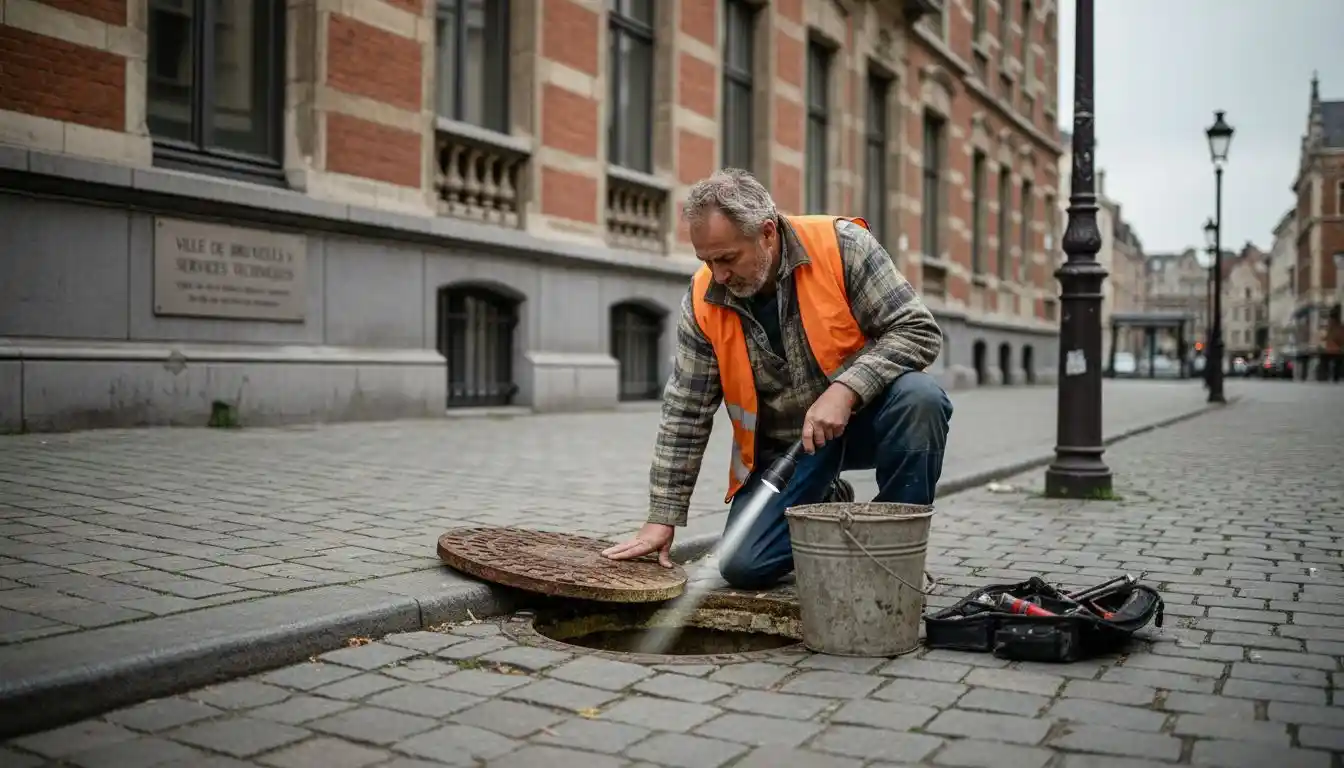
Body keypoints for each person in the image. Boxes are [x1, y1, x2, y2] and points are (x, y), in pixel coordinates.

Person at [601, 168, 952, 590]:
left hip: (861, 423)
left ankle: (896, 554)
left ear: (767, 233)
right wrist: (663, 516)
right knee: (742, 565)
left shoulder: (843, 248)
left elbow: (917, 329)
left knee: (921, 399)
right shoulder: (703, 299)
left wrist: (847, 389)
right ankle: (828, 505)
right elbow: (685, 411)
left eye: (727, 258)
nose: (719, 274)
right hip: (785, 454)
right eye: (707, 260)